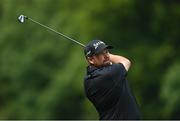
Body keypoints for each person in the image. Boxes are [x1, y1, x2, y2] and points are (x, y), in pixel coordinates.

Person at [83, 40, 141, 120]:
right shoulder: (109, 75)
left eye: (106, 51)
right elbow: (126, 62)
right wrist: (109, 56)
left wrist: (104, 57)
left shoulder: (88, 80)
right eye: (100, 53)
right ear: (91, 60)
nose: (106, 56)